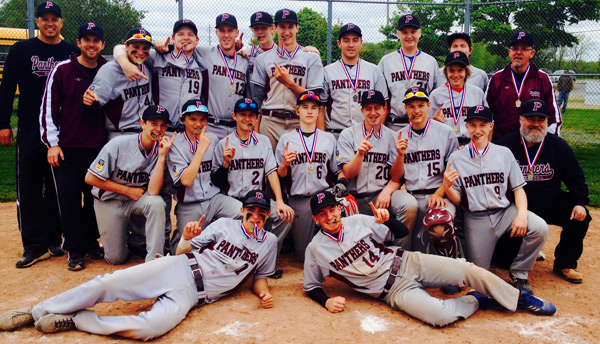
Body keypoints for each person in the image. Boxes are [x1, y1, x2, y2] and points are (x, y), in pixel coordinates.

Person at [0, 190, 277, 340]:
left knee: (148, 329)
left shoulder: (269, 243)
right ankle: (34, 311)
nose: (256, 217)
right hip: (178, 266)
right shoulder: (224, 225)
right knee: (110, 283)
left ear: (267, 217)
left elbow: (259, 276)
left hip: (194, 296)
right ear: (242, 211)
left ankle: (77, 320)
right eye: (251, 211)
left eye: (261, 214)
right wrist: (187, 239)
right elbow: (182, 250)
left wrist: (263, 292)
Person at [303, 191, 556, 327]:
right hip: (393, 292)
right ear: (315, 219)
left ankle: (518, 298)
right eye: (322, 213)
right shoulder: (316, 249)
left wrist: (387, 220)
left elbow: (400, 233)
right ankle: (476, 299)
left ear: (339, 208)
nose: (329, 216)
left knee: (466, 269)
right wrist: (325, 302)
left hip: (408, 261)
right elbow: (311, 286)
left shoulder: (357, 220)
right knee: (439, 316)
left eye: (332, 209)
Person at [0, 1, 77, 268]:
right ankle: (33, 245)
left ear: (61, 23)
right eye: (44, 18)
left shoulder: (70, 51)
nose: (49, 23)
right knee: (30, 186)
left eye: (54, 18)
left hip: (61, 129)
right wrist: (3, 123)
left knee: (57, 186)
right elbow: (7, 86)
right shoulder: (22, 50)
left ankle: (54, 239)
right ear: (38, 23)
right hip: (31, 127)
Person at [440, 105, 548, 293]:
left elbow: (519, 189)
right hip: (476, 219)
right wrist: (447, 187)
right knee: (479, 275)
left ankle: (520, 273)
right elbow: (458, 200)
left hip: (505, 212)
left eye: (483, 125)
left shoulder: (503, 153)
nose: (478, 130)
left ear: (491, 126)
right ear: (466, 126)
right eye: (472, 125)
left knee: (539, 228)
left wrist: (521, 215)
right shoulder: (457, 157)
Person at [496, 99, 591, 284]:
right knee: (503, 261)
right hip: (518, 210)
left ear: (547, 123)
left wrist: (580, 202)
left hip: (550, 203)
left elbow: (576, 177)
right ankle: (525, 250)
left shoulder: (558, 146)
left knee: (581, 215)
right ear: (521, 119)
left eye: (541, 120)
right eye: (531, 119)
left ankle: (565, 263)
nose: (536, 124)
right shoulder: (505, 146)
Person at [39, 23, 107, 271]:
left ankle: (90, 241)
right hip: (68, 147)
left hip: (98, 147)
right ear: (78, 43)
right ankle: (74, 250)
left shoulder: (106, 69)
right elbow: (48, 108)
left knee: (94, 198)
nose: (91, 44)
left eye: (96, 40)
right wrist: (52, 144)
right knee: (68, 200)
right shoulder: (63, 69)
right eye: (86, 39)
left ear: (102, 45)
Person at [211, 98, 294, 276]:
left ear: (257, 118)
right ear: (234, 116)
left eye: (251, 115)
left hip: (258, 202)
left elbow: (271, 172)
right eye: (242, 115)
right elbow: (216, 181)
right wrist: (226, 163)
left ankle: (264, 258)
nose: (247, 119)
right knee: (242, 219)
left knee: (285, 216)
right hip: (232, 201)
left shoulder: (263, 142)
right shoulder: (223, 143)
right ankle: (240, 261)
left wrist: (279, 201)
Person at [84, 105, 174, 264]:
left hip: (134, 201)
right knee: (116, 259)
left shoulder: (160, 149)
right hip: (109, 201)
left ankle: (155, 261)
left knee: (157, 203)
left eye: (163, 125)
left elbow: (153, 191)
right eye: (154, 123)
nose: (158, 128)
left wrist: (161, 157)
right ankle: (124, 236)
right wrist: (126, 190)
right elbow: (90, 178)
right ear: (142, 123)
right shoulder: (118, 144)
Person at [337, 89, 417, 249]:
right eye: (368, 108)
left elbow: (396, 177)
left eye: (377, 108)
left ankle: (400, 253)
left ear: (384, 110)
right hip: (353, 198)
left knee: (409, 204)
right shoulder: (348, 134)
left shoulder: (393, 136)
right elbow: (347, 173)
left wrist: (400, 156)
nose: (373, 113)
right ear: (362, 111)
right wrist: (359, 154)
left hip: (380, 195)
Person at [166, 99, 242, 254]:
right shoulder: (175, 144)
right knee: (185, 250)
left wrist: (226, 163)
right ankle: (177, 238)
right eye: (192, 119)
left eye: (202, 119)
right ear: (183, 119)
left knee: (242, 214)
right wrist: (200, 150)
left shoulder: (212, 139)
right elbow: (186, 181)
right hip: (189, 204)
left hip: (214, 199)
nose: (198, 124)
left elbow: (216, 175)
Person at [275, 91, 342, 262]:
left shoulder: (329, 139)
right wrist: (284, 164)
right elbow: (280, 175)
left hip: (323, 196)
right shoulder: (286, 139)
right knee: (303, 256)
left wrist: (342, 188)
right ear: (297, 111)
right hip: (299, 200)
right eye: (305, 107)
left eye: (314, 108)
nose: (310, 111)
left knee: (331, 249)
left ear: (320, 112)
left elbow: (335, 171)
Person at [395, 87, 459, 253]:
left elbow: (452, 172)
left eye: (421, 105)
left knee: (440, 230)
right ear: (406, 108)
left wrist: (440, 192)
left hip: (440, 196)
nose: (416, 111)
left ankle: (448, 273)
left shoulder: (446, 133)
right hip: (412, 197)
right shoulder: (399, 135)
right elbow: (395, 178)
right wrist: (400, 155)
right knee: (413, 250)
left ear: (428, 105)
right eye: (411, 106)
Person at [251, 8, 325, 149]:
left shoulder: (310, 57)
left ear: (297, 28)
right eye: (282, 27)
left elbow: (315, 98)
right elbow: (257, 100)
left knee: (297, 169)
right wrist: (255, 131)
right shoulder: (262, 59)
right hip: (270, 122)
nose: (286, 32)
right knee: (269, 168)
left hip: (299, 121)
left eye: (290, 26)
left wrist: (289, 83)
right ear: (275, 28)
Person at [113, 19, 204, 128]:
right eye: (180, 34)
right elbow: (121, 48)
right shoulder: (157, 57)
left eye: (190, 34)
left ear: (197, 40)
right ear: (173, 39)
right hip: (161, 128)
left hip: (188, 130)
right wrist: (125, 63)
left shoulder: (202, 62)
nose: (186, 38)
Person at [486, 31, 561, 141]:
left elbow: (554, 118)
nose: (519, 52)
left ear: (532, 53)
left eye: (524, 48)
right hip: (501, 145)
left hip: (532, 145)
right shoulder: (496, 79)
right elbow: (486, 115)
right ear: (509, 52)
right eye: (515, 48)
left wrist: (548, 146)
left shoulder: (542, 79)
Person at [83, 27, 154, 141]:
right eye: (136, 47)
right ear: (126, 46)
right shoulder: (110, 70)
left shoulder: (148, 68)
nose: (140, 52)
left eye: (145, 48)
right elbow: (92, 104)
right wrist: (89, 100)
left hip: (145, 133)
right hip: (120, 134)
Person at [321, 23, 388, 138]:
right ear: (339, 43)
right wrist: (322, 138)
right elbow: (320, 108)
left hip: (365, 134)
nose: (351, 44)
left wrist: (375, 135)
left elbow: (384, 106)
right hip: (335, 133)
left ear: (361, 42)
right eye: (346, 40)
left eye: (355, 40)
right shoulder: (327, 71)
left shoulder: (374, 71)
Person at [378, 13, 442, 131]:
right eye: (404, 32)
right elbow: (382, 99)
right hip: (394, 125)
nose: (409, 36)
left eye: (413, 31)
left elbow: (436, 95)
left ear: (420, 33)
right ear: (398, 34)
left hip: (423, 125)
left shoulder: (430, 61)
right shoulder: (386, 61)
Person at [429, 52, 487, 146]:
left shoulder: (477, 93)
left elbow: (487, 122)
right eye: (451, 70)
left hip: (472, 143)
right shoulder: (436, 95)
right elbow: (427, 125)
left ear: (466, 71)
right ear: (446, 72)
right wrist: (433, 122)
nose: (456, 75)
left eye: (460, 70)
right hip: (445, 143)